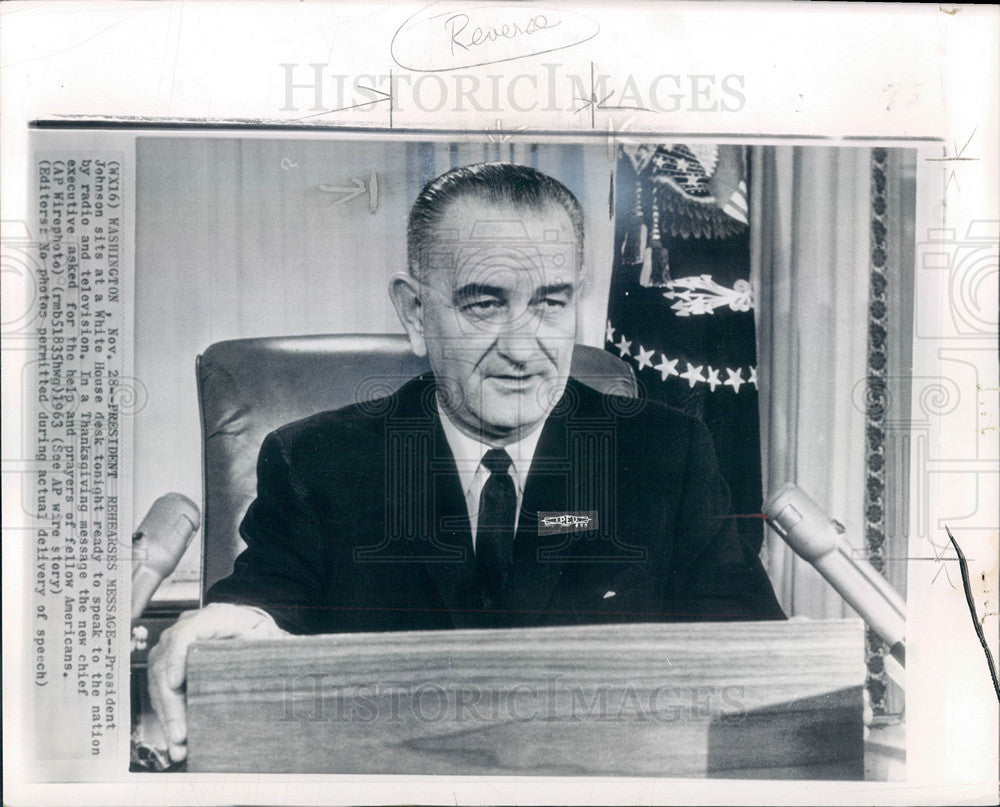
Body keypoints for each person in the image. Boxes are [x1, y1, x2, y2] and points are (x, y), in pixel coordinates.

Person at [148, 162, 784, 763]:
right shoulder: (318, 461)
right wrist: (240, 624)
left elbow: (754, 655)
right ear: (417, 314)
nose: (522, 349)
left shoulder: (664, 454)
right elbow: (266, 604)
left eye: (551, 303)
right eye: (485, 305)